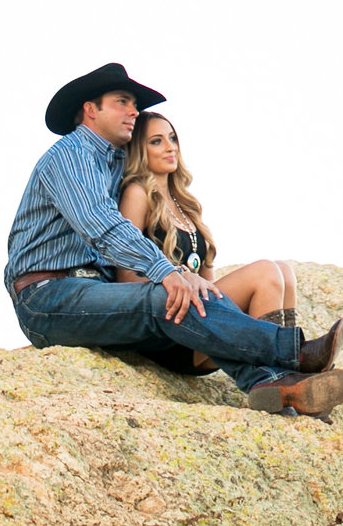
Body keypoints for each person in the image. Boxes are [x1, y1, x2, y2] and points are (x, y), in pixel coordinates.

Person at [3, 62, 343, 416]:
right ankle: (296, 352)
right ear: (90, 110)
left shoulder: (115, 162)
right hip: (47, 296)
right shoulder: (70, 155)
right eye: (122, 102)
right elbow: (103, 225)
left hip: (94, 294)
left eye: (134, 104)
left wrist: (185, 275)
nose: (133, 111)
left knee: (188, 294)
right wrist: (167, 271)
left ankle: (273, 384)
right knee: (166, 293)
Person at [116, 110, 300, 373]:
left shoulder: (185, 204)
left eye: (172, 138)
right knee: (266, 272)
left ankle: (290, 373)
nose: (170, 147)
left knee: (284, 271)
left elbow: (208, 282)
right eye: (156, 141)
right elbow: (126, 277)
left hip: (204, 323)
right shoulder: (137, 194)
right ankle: (277, 377)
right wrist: (173, 280)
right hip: (171, 329)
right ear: (138, 150)